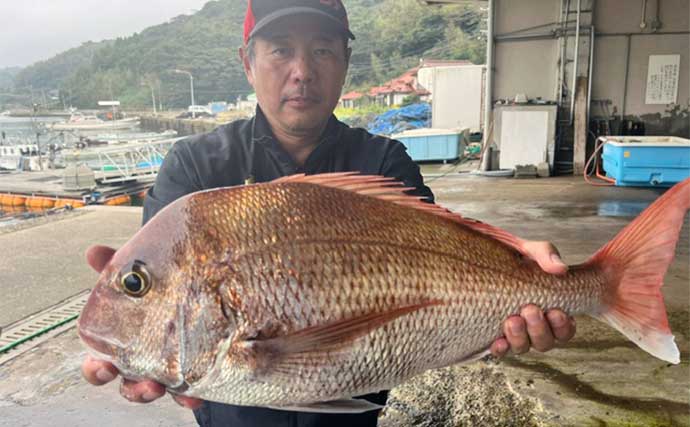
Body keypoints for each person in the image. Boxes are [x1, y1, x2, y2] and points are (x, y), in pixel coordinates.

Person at [82, 1, 576, 426]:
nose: (302, 70)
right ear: (247, 63)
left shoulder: (384, 162)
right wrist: (131, 345)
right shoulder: (194, 167)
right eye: (280, 49)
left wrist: (517, 265)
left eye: (321, 49)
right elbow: (160, 294)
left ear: (345, 61)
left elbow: (449, 261)